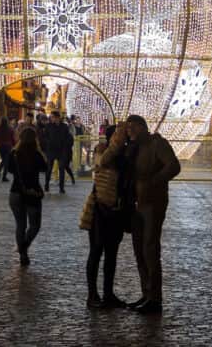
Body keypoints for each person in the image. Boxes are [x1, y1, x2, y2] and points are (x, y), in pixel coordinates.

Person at [104, 115, 181, 315]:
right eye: (127, 129)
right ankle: (146, 293)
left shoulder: (157, 144)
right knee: (139, 249)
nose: (129, 131)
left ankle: (155, 298)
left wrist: (154, 182)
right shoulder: (132, 147)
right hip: (134, 204)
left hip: (152, 203)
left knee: (150, 248)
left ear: (142, 127)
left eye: (132, 127)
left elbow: (173, 166)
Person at [86, 124, 128, 309]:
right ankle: (92, 295)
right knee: (96, 251)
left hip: (116, 211)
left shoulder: (124, 156)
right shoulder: (105, 153)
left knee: (111, 254)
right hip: (100, 209)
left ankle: (108, 293)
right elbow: (104, 166)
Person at [7, 127, 47, 266]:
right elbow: (44, 168)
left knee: (20, 225)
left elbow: (9, 170)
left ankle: (23, 254)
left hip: (16, 192)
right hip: (32, 193)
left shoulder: (14, 153)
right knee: (35, 225)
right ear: (34, 139)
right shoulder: (36, 154)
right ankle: (24, 246)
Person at [46, 112, 75, 193]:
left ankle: (61, 188)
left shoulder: (64, 126)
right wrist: (49, 144)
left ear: (57, 118)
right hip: (51, 151)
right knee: (49, 169)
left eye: (52, 117)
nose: (51, 119)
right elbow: (46, 137)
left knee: (61, 169)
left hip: (61, 151)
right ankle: (46, 185)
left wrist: (66, 146)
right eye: (51, 117)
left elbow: (68, 137)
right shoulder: (48, 126)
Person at [0, 116, 16, 182]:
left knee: (4, 160)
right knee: (6, 161)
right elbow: (12, 139)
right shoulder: (10, 129)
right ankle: (3, 176)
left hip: (0, 146)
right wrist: (15, 146)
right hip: (8, 146)